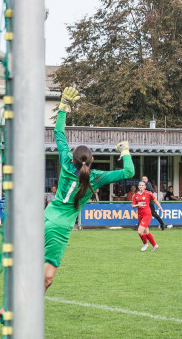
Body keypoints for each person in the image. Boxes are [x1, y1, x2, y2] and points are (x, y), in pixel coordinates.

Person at [44, 87, 135, 292]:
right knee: (47, 278)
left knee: (34, 268)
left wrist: (63, 106)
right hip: (59, 228)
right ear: (92, 160)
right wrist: (125, 150)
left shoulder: (66, 162)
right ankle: (18, 308)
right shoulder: (96, 178)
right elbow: (129, 172)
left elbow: (58, 133)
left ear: (73, 157)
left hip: (45, 217)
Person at [132, 181, 165, 252]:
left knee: (140, 231)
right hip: (140, 215)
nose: (141, 186)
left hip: (147, 214)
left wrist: (161, 209)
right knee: (146, 232)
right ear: (138, 186)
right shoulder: (135, 195)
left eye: (142, 185)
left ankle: (145, 244)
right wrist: (138, 205)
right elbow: (133, 205)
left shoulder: (148, 193)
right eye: (140, 185)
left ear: (145, 187)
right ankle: (154, 245)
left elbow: (155, 201)